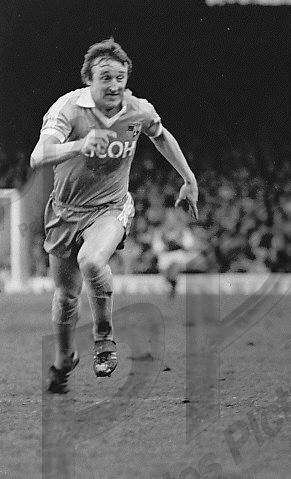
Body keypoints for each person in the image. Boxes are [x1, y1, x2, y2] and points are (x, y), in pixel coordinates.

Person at [30, 38, 199, 393]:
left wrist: (188, 178)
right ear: (88, 80)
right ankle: (64, 360)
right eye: (105, 77)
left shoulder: (138, 110)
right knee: (66, 296)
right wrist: (80, 144)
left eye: (120, 77)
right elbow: (38, 156)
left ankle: (104, 339)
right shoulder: (68, 108)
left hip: (111, 208)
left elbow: (160, 135)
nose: (114, 85)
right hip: (64, 212)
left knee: (92, 261)